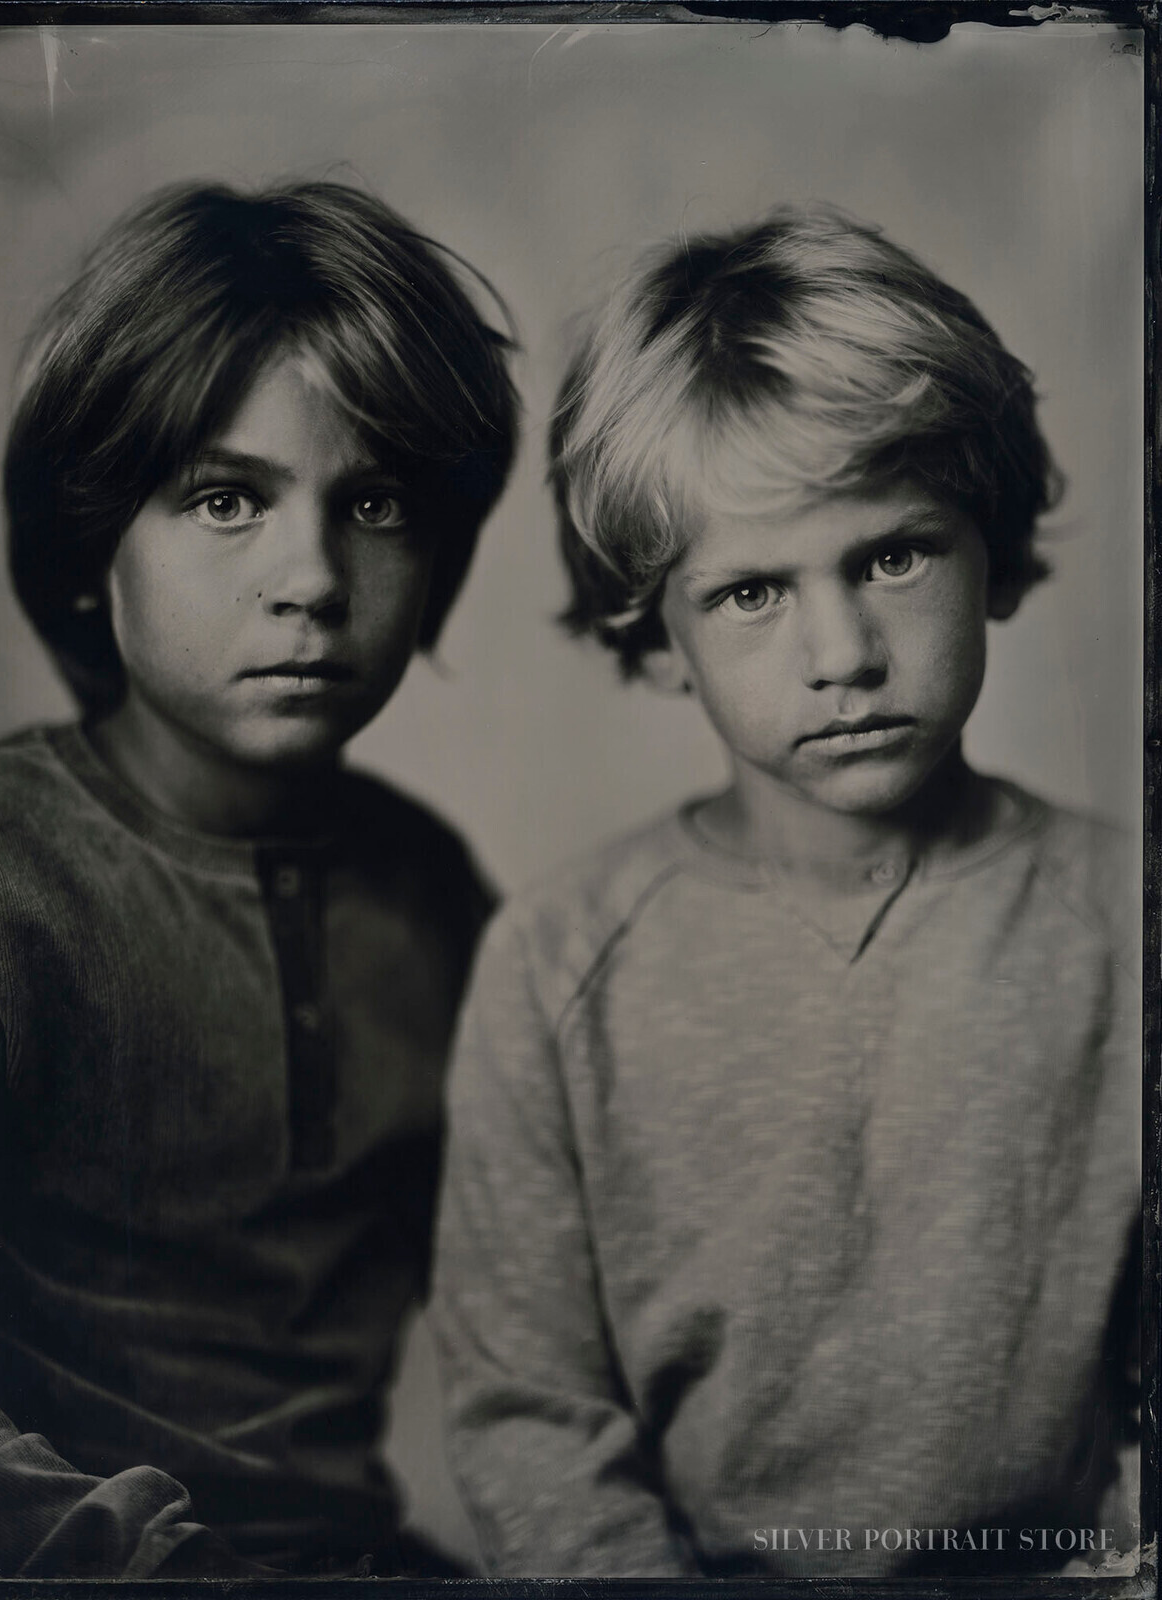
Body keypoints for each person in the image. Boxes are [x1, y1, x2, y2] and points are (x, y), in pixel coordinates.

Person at [431, 207, 1140, 1579]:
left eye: (891, 555)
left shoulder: (1122, 924)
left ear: (986, 546)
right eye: (751, 590)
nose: (841, 651)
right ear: (660, 632)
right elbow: (529, 1418)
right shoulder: (555, 960)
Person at [0, 180, 517, 1578]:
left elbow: (544, 1307)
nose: (311, 576)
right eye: (225, 498)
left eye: (372, 503)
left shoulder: (427, 891)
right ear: (88, 546)